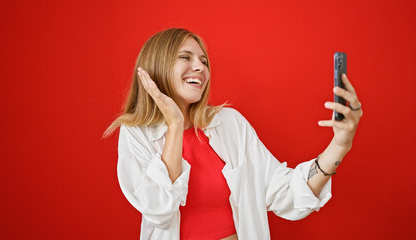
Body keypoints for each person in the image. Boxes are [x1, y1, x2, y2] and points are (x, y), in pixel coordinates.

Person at [104, 28, 363, 240]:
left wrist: (340, 145)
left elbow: (285, 192)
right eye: (186, 57)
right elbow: (159, 210)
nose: (200, 67)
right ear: (157, 66)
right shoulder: (136, 133)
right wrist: (173, 124)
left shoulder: (230, 123)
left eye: (204, 61)